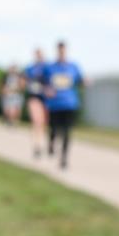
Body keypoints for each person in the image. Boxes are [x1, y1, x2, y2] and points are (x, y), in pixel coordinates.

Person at [43, 41, 85, 170]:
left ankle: (64, 158)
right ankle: (51, 143)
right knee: (54, 129)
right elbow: (43, 83)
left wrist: (85, 82)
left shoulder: (73, 67)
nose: (61, 53)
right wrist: (47, 90)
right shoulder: (50, 68)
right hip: (55, 104)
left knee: (67, 131)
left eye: (63, 50)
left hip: (69, 103)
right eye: (60, 50)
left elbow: (80, 81)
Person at [24, 49, 49, 158]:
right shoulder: (30, 68)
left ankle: (41, 143)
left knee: (42, 123)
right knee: (36, 121)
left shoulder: (47, 68)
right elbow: (24, 80)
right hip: (34, 97)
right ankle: (36, 146)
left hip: (45, 99)